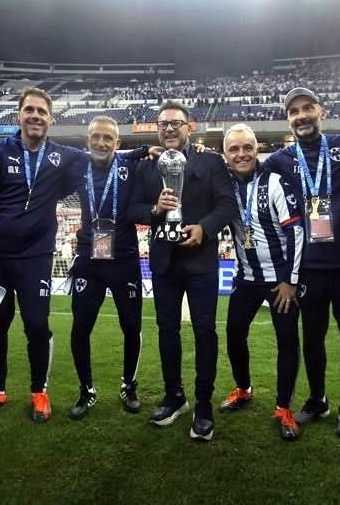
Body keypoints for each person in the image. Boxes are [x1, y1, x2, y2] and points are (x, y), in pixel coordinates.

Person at [0, 87, 86, 424]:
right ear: (19, 115)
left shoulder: (62, 155)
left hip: (36, 257)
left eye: (42, 112)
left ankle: (39, 391)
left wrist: (145, 152)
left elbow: (104, 157)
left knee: (36, 324)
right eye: (29, 110)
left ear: (50, 119)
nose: (35, 116)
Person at [128, 100, 237, 441]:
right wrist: (153, 209)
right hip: (163, 261)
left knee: (205, 330)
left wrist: (204, 228)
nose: (170, 128)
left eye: (176, 123)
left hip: (201, 260)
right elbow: (131, 208)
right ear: (158, 129)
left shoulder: (210, 161)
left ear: (190, 127)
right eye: (163, 124)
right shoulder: (147, 166)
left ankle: (203, 402)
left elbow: (227, 204)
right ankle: (174, 395)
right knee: (167, 330)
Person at [263, 87, 340, 438]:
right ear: (288, 119)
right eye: (294, 111)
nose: (302, 115)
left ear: (321, 111)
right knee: (313, 338)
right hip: (309, 267)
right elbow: (243, 171)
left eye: (308, 108)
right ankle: (318, 398)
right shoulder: (280, 159)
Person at [218, 124, 304, 441]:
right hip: (247, 279)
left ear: (257, 149)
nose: (241, 154)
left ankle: (283, 407)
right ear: (225, 154)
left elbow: (296, 232)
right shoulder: (224, 185)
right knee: (233, 336)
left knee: (287, 343)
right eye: (234, 149)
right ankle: (244, 388)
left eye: (247, 147)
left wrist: (290, 281)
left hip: (279, 281)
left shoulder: (275, 182)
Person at [67, 116, 156, 419]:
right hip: (88, 260)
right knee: (81, 328)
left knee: (131, 327)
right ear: (87, 140)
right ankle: (86, 390)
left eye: (108, 138)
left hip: (125, 259)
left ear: (117, 143)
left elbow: (147, 153)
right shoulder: (77, 165)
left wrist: (150, 150)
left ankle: (129, 385)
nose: (102, 143)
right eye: (96, 137)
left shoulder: (130, 163)